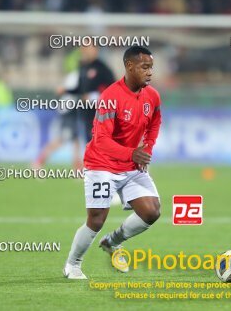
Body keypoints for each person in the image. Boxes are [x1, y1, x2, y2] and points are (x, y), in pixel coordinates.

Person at [63, 46, 162, 279]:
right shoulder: (110, 97)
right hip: (101, 164)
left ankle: (112, 242)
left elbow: (155, 123)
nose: (149, 72)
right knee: (97, 218)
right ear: (129, 67)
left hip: (130, 166)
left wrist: (146, 149)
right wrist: (132, 154)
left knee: (151, 211)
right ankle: (73, 265)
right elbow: (102, 140)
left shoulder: (152, 96)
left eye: (151, 68)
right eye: (144, 67)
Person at [65, 45, 115, 143]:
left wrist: (93, 96)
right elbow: (80, 88)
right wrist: (67, 91)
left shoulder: (102, 68)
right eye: (83, 47)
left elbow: (112, 89)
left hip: (99, 113)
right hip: (85, 112)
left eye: (88, 47)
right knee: (89, 142)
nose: (85, 50)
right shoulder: (83, 67)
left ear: (96, 49)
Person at [33, 71, 82, 170]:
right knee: (62, 139)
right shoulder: (76, 76)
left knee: (74, 140)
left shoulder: (76, 75)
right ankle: (38, 162)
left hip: (71, 110)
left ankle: (77, 168)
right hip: (68, 110)